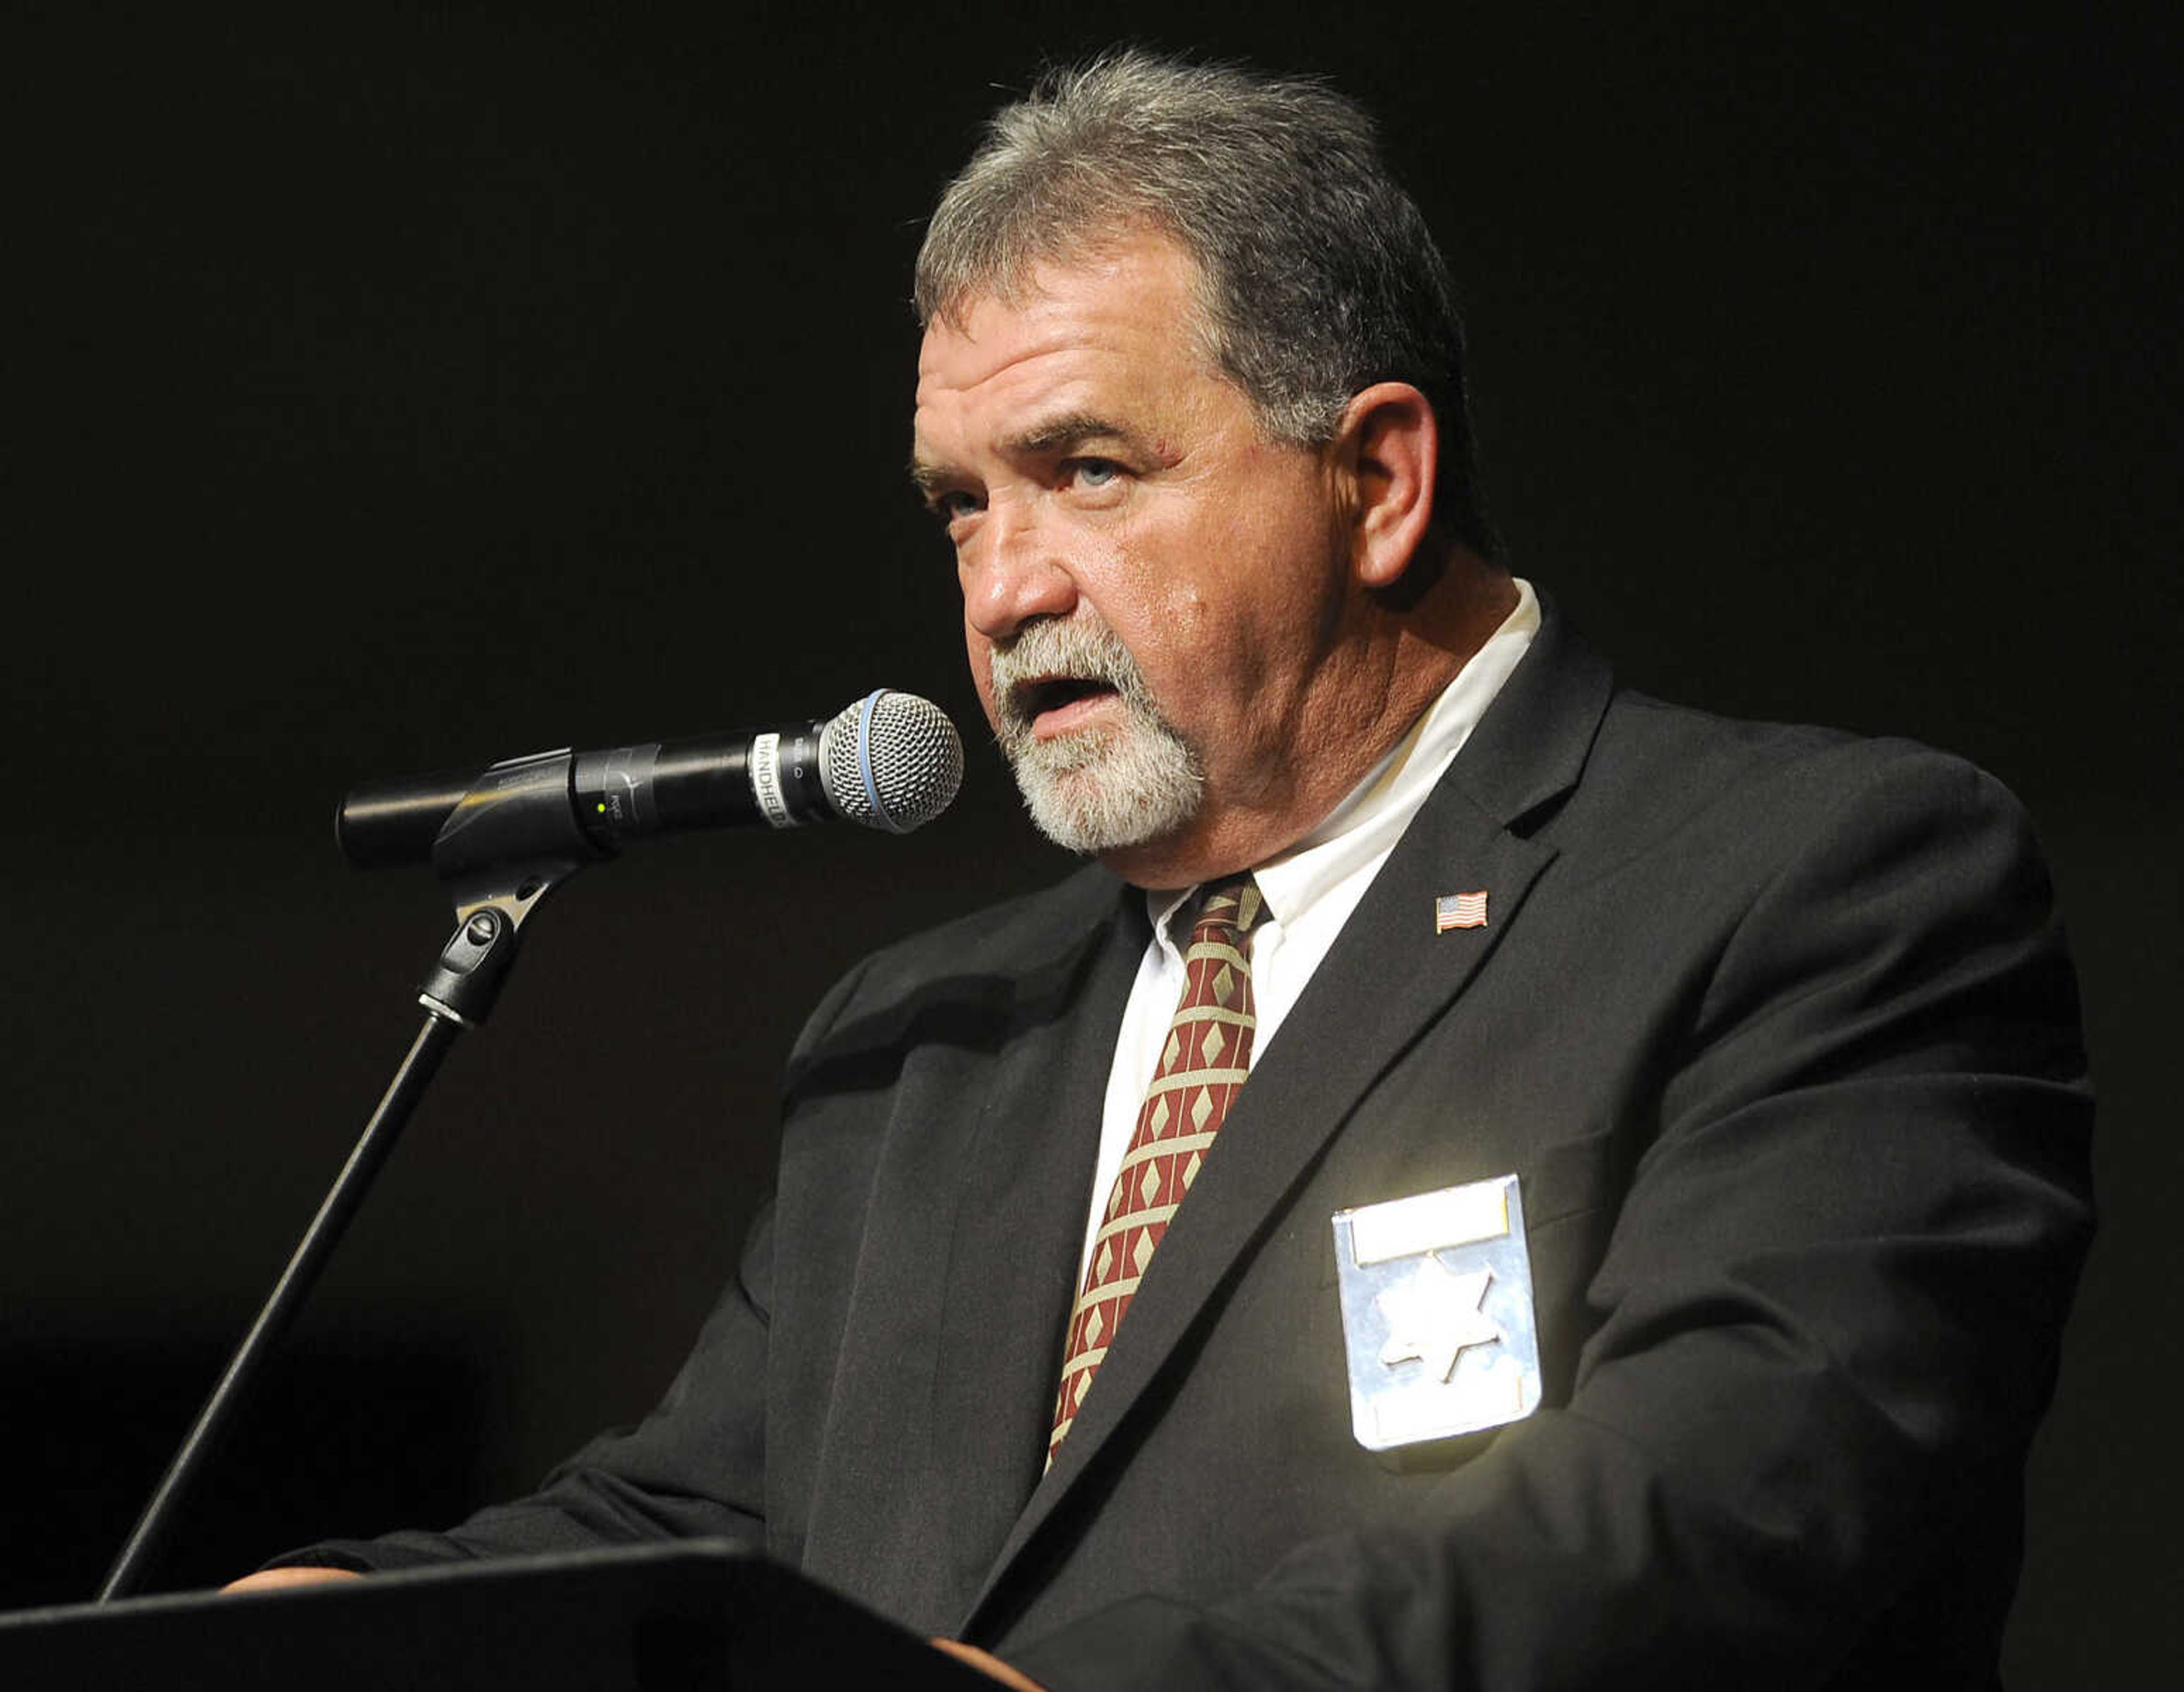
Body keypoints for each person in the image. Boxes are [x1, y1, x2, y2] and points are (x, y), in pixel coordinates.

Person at [231, 49, 2094, 1689]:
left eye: (1089, 471)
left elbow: (1716, 1507)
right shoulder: (922, 1036)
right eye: (964, 502)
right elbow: (708, 1527)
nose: (1004, 586)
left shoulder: (1818, 884)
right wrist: (327, 1621)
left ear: (1376, 482)